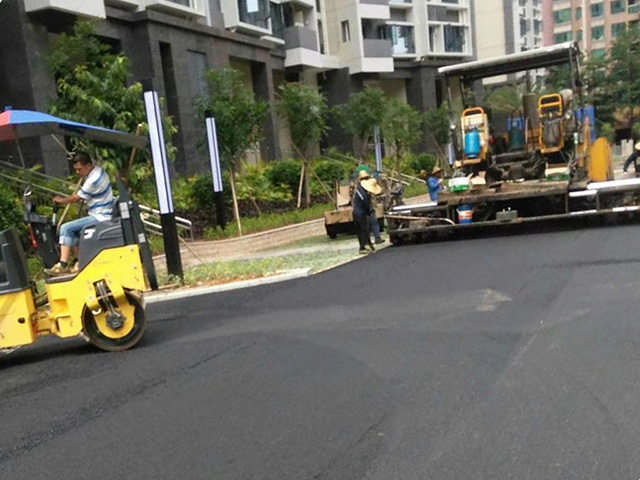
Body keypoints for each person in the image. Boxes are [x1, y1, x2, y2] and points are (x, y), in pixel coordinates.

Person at [45, 152, 114, 275]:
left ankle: (63, 265)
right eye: (76, 170)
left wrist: (60, 200)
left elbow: (76, 198)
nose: (78, 172)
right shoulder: (98, 171)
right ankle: (80, 261)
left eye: (79, 169)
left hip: (101, 216)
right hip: (99, 213)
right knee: (75, 232)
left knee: (66, 228)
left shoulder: (93, 180)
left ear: (88, 166)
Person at [352, 171, 382, 254]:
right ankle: (362, 248)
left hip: (358, 212)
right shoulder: (363, 193)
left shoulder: (360, 189)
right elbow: (365, 204)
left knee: (364, 230)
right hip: (360, 213)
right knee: (363, 230)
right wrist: (369, 212)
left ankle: (367, 245)